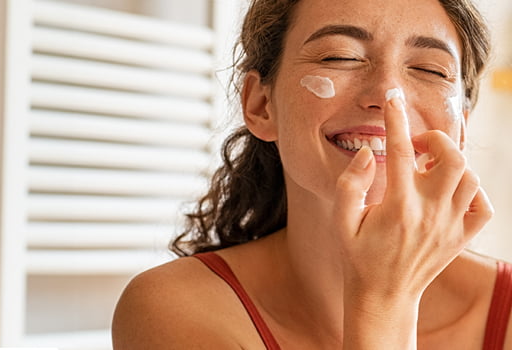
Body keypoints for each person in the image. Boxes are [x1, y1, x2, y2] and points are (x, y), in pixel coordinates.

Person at [111, 0, 508, 348]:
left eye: (429, 69)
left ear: (461, 128)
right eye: (339, 56)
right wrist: (385, 300)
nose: (389, 95)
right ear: (261, 105)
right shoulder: (175, 309)